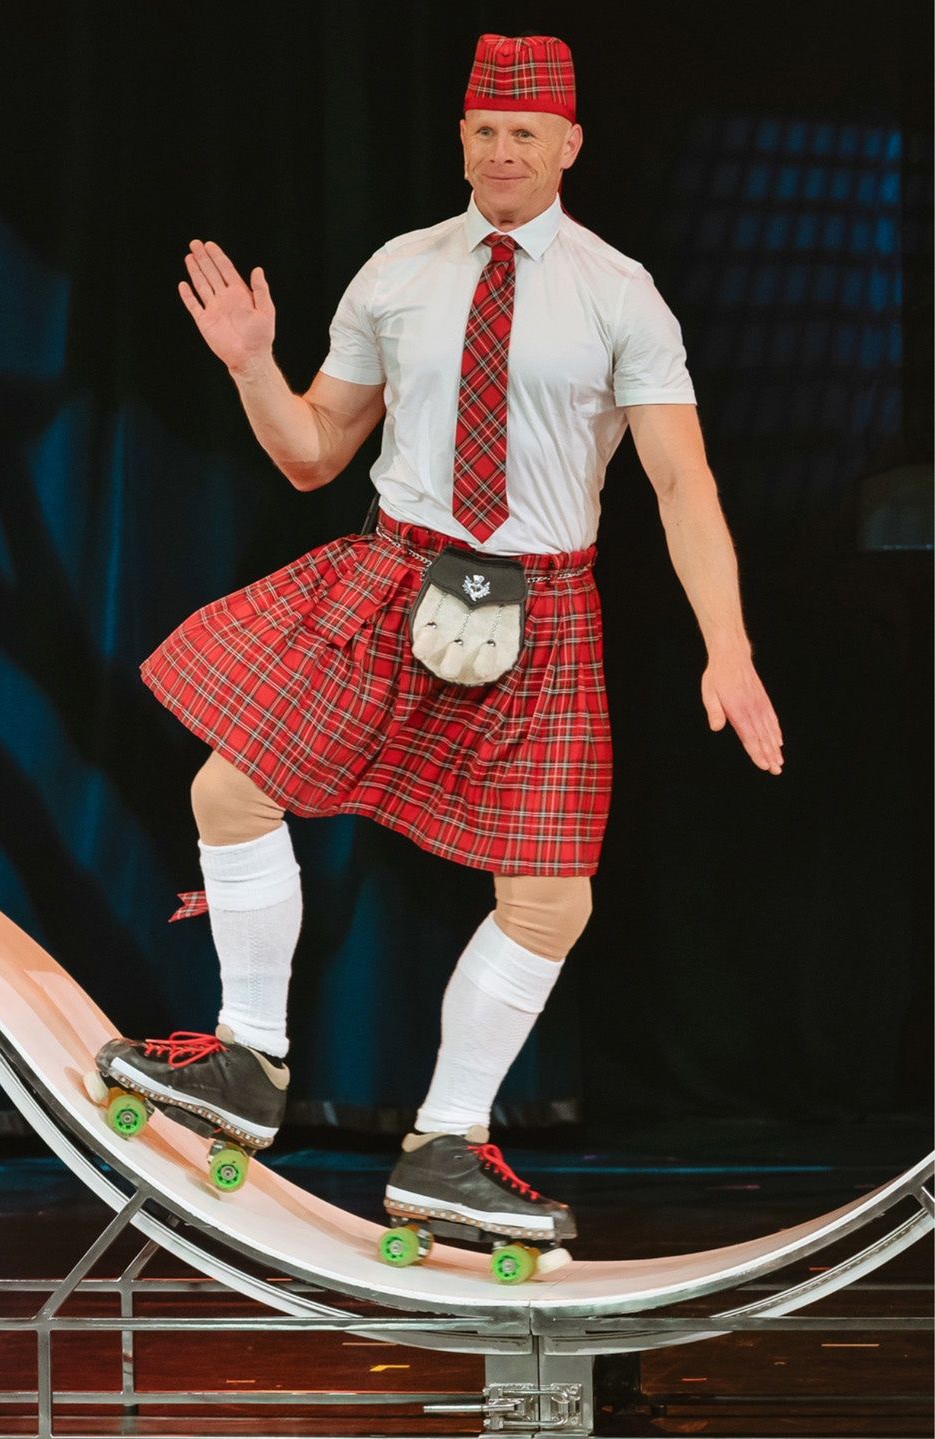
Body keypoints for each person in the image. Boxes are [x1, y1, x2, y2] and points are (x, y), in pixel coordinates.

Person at [95, 34, 783, 1245]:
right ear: (461, 139)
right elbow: (312, 453)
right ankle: (248, 1060)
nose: (502, 150)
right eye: (484, 130)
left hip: (543, 610)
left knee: (549, 902)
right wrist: (253, 367)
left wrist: (725, 647)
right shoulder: (399, 272)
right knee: (231, 789)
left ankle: (446, 1145)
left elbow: (683, 483)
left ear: (567, 145)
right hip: (392, 579)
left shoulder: (619, 292)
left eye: (525, 132)